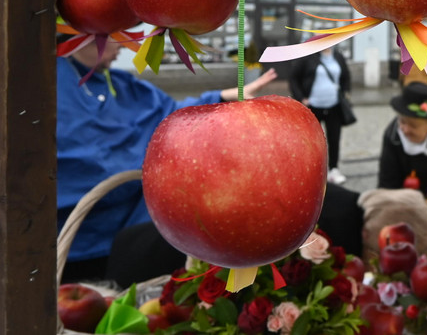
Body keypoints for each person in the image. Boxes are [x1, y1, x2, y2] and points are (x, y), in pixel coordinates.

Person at [56, 36, 278, 283]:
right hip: (78, 243)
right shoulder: (54, 86)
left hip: (127, 239)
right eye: (113, 35)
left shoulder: (117, 82)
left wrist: (221, 98)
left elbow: (167, 113)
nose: (122, 44)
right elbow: (90, 163)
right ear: (80, 39)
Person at [289, 47, 352, 185]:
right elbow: (294, 78)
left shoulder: (338, 56)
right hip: (313, 106)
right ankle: (313, 172)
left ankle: (334, 169)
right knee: (312, 141)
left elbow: (346, 76)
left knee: (334, 138)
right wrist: (301, 98)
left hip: (334, 105)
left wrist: (346, 92)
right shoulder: (308, 57)